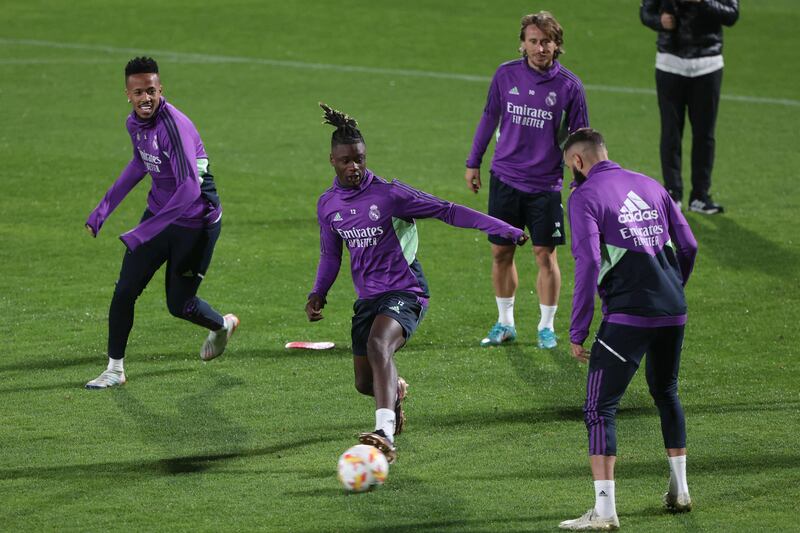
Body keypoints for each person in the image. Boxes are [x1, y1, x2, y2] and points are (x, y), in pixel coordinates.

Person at [306, 103, 528, 463]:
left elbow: (448, 210)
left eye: (359, 159)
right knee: (365, 382)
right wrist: (319, 292)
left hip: (406, 290)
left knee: (380, 345)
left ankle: (383, 433)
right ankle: (395, 390)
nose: (354, 167)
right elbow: (331, 255)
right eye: (346, 160)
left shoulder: (390, 195)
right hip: (368, 299)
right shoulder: (328, 204)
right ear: (332, 159)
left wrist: (504, 229)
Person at [558, 128, 698, 530]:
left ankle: (604, 512)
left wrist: (578, 329)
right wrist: (671, 287)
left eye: (571, 166)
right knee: (666, 392)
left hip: (627, 316)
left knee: (599, 408)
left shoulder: (584, 197)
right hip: (673, 311)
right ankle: (680, 490)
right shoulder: (650, 185)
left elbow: (585, 264)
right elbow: (689, 246)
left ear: (578, 162)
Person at [84, 57, 238, 389]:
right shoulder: (134, 124)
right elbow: (140, 164)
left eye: (151, 91)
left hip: (196, 224)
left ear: (160, 90)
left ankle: (222, 326)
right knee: (125, 290)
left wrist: (144, 231)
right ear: (127, 93)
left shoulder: (173, 126)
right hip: (159, 215)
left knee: (179, 305)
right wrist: (102, 210)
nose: (145, 98)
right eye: (138, 92)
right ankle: (114, 369)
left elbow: (189, 189)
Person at [465, 11, 588, 350]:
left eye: (546, 41)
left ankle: (546, 327)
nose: (539, 47)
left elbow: (580, 139)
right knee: (501, 252)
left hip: (545, 185)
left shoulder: (570, 87)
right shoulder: (505, 75)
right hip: (504, 178)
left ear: (557, 45)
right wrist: (473, 162)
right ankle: (505, 323)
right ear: (523, 43)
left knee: (544, 254)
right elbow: (489, 117)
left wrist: (582, 181)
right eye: (533, 41)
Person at [640, 0, 739, 214]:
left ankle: (700, 196)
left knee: (705, 134)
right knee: (671, 132)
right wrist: (660, 21)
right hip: (670, 63)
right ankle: (673, 194)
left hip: (708, 64)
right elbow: (646, 12)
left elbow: (731, 14)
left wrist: (702, 2)